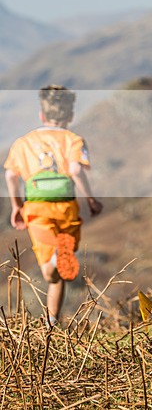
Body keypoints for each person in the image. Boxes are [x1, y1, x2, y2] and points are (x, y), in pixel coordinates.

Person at [4, 85, 103, 326]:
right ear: (70, 116)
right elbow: (76, 170)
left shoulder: (23, 143)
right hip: (67, 206)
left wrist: (17, 205)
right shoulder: (74, 140)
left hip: (37, 209)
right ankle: (51, 323)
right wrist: (90, 199)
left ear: (41, 115)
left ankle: (55, 259)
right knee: (58, 275)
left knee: (50, 271)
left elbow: (10, 175)